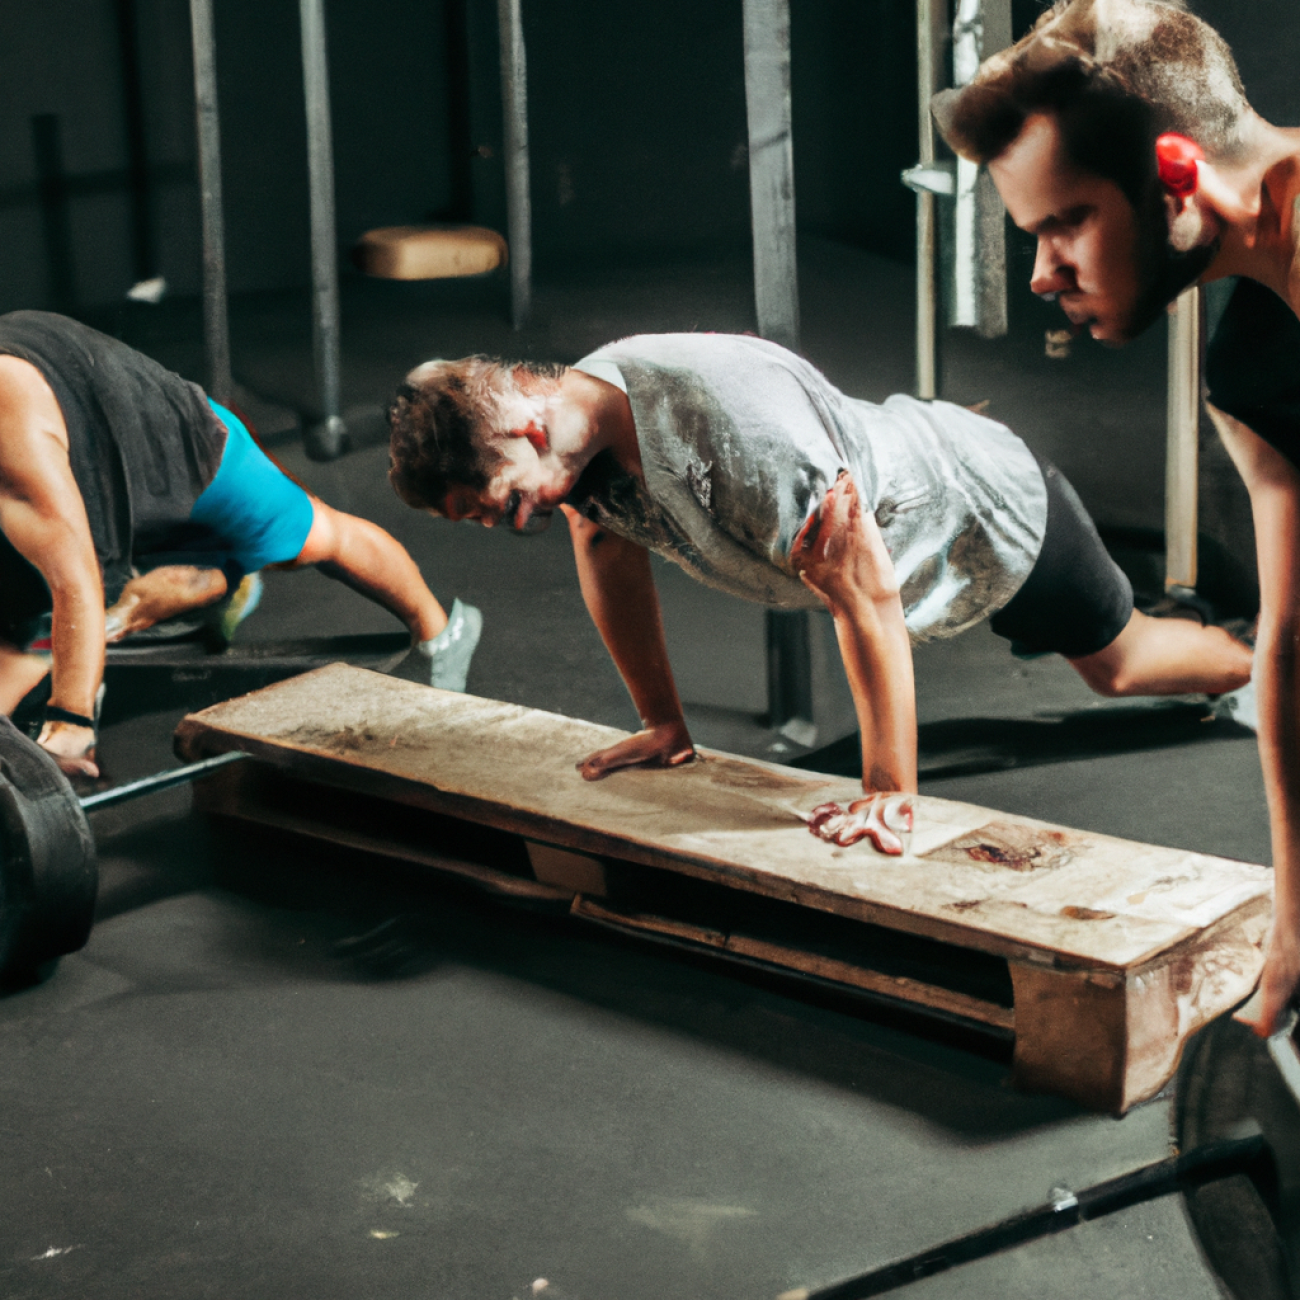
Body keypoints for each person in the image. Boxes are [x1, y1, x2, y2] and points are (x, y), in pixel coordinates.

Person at [386, 331, 1250, 853]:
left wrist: (889, 792)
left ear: (525, 427)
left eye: (498, 502)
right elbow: (606, 551)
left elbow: (867, 597)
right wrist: (662, 723)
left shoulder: (731, 427)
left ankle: (1265, 658)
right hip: (920, 555)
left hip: (988, 512)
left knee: (1122, 665)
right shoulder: (574, 457)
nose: (508, 523)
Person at [931, 0, 1300, 1032]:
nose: (1043, 273)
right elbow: (1290, 642)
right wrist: (1294, 923)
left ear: (1174, 176)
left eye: (1064, 222)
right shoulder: (1251, 372)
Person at [0, 310, 482, 779]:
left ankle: (443, 635)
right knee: (42, 608)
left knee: (321, 537)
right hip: (91, 462)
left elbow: (74, 583)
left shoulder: (11, 429)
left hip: (187, 449)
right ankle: (213, 579)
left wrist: (71, 724)